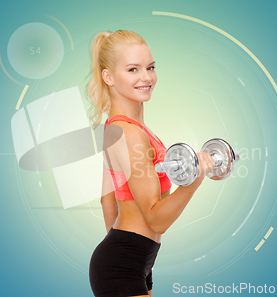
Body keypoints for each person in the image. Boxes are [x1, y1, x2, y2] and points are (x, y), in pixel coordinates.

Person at [86, 30, 216, 297]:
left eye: (150, 67)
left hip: (134, 259)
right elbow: (156, 221)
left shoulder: (118, 129)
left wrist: (130, 253)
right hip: (124, 262)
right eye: (133, 69)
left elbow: (107, 201)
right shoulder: (130, 133)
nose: (146, 77)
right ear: (108, 76)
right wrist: (196, 179)